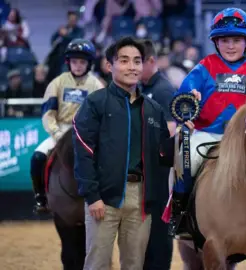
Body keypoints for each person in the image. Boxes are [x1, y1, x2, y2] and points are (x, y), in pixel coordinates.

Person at [167, 7, 246, 240]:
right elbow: (182, 98)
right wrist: (190, 100)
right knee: (187, 158)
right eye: (224, 40)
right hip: (207, 135)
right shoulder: (204, 67)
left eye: (236, 40)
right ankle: (181, 212)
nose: (230, 45)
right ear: (216, 42)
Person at [72, 36, 193, 270]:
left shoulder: (153, 109)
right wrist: (92, 196)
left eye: (137, 61)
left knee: (134, 265)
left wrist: (180, 137)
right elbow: (84, 151)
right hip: (103, 199)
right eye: (124, 60)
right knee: (96, 264)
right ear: (109, 66)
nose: (132, 67)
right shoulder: (95, 103)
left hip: (141, 201)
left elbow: (161, 157)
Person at [30, 38, 103, 214]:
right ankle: (41, 197)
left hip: (87, 133)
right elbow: (48, 113)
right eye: (74, 61)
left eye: (82, 62)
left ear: (89, 64)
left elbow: (101, 115)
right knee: (37, 157)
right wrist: (55, 133)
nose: (78, 65)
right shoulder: (57, 83)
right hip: (60, 130)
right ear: (68, 62)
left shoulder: (96, 85)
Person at [140, 39, 176, 270]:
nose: (133, 67)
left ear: (151, 61)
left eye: (138, 61)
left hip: (159, 168)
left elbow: (170, 130)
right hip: (144, 167)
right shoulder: (140, 88)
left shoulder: (163, 89)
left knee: (159, 230)